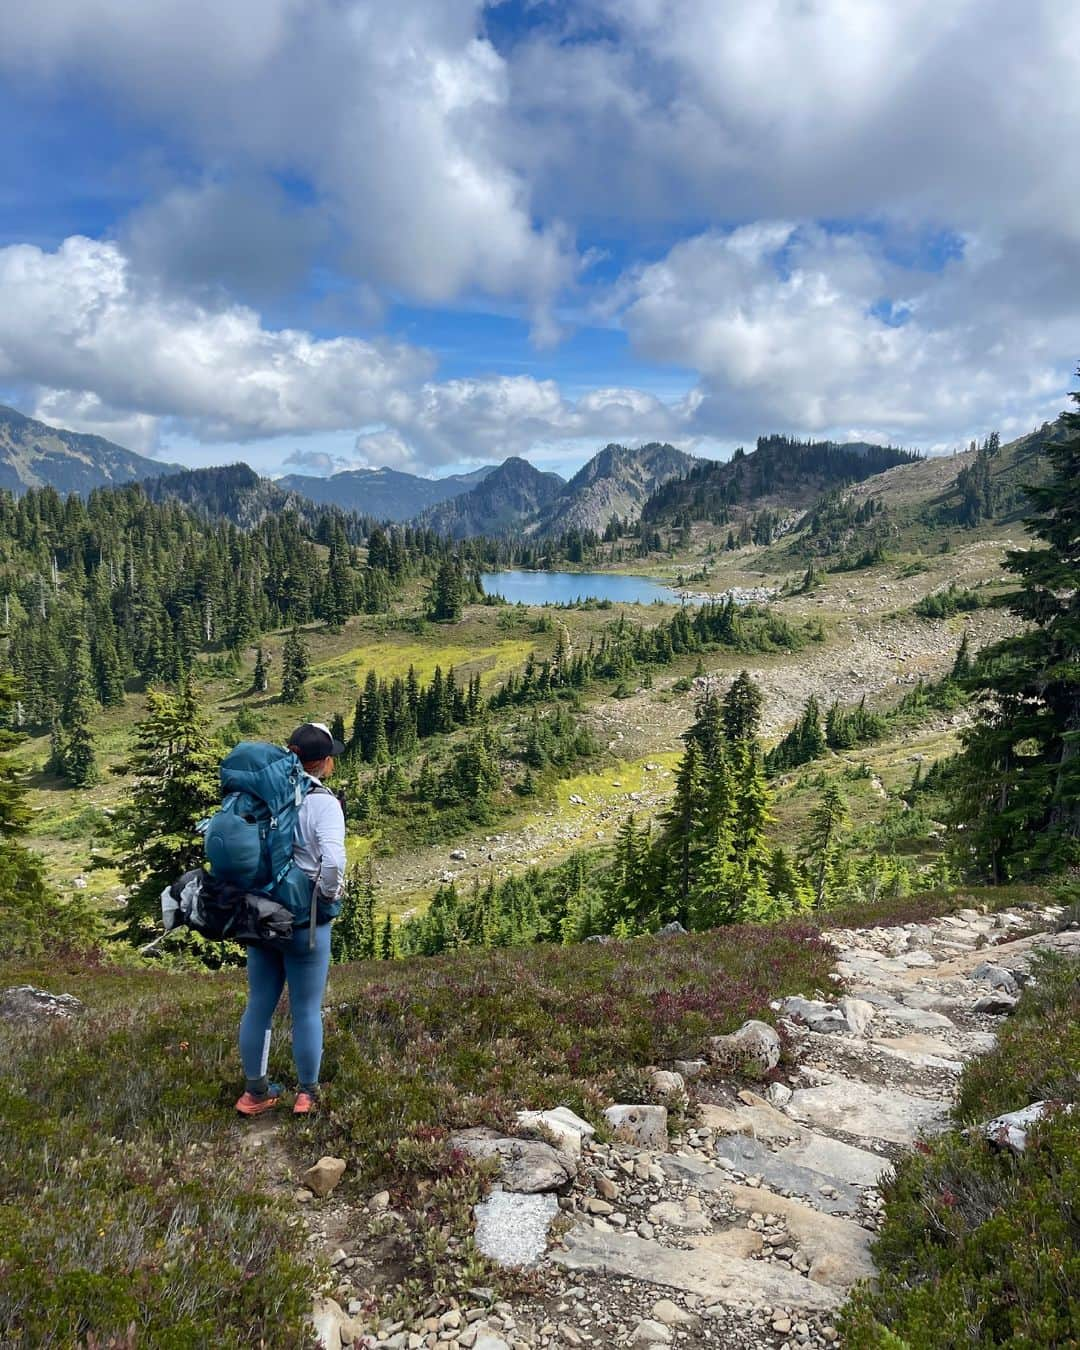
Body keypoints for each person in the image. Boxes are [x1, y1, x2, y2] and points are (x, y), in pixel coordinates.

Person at [235, 722, 347, 1117]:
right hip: (304, 921)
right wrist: (329, 894)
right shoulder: (323, 804)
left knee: (258, 1005)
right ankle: (307, 1093)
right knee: (305, 1009)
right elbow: (332, 861)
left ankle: (254, 1092)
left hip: (260, 915)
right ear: (326, 762)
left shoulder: (258, 796)